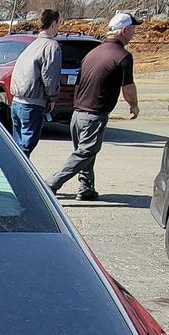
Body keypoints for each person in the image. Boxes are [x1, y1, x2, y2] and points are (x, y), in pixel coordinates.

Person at [47, 11, 139, 202]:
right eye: (132, 30)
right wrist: (134, 106)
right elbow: (128, 87)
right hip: (94, 114)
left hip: (78, 113)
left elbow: (78, 83)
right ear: (124, 30)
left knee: (85, 152)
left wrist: (76, 105)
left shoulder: (92, 53)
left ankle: (86, 188)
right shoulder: (123, 56)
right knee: (85, 153)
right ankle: (50, 184)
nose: (133, 34)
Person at [8, 8, 61, 155]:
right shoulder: (51, 46)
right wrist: (52, 98)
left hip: (17, 102)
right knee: (25, 149)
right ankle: (18, 176)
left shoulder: (31, 45)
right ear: (53, 23)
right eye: (58, 23)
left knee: (17, 149)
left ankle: (14, 174)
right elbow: (50, 76)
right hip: (32, 104)